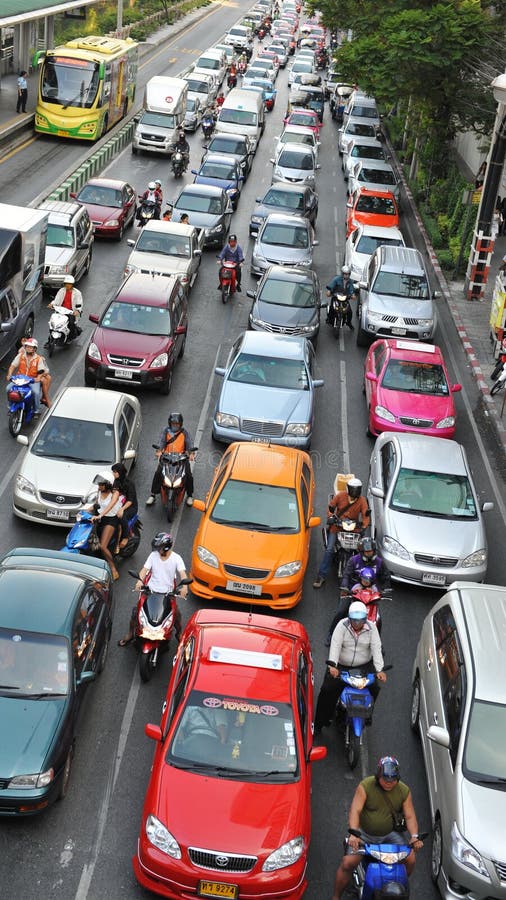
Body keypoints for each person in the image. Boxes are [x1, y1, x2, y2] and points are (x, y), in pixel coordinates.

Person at [332, 757, 424, 900]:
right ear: (378, 775)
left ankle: (398, 883)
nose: (389, 783)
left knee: (411, 859)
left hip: (390, 834)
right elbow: (355, 810)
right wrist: (354, 834)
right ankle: (336, 896)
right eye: (385, 779)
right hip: (364, 834)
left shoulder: (404, 791)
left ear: (397, 778)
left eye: (393, 780)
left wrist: (414, 836)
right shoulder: (365, 786)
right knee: (348, 863)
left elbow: (410, 816)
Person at [313, 600, 386, 734]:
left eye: (361, 620)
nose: (357, 624)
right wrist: (333, 665)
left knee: (375, 688)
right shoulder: (341, 626)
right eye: (354, 620)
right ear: (349, 618)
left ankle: (367, 714)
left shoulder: (372, 629)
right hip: (341, 666)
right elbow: (335, 646)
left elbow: (376, 648)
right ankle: (319, 724)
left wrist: (379, 669)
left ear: (365, 619)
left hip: (364, 665)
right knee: (327, 690)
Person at [118, 531, 188, 646]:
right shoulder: (153, 556)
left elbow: (183, 574)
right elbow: (144, 570)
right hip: (150, 592)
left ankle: (179, 634)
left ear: (165, 548)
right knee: (136, 613)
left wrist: (185, 588)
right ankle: (130, 634)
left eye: (159, 548)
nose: (157, 550)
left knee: (177, 615)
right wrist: (138, 582)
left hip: (168, 594)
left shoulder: (176, 558)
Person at [313, 478, 370, 588]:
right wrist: (330, 517)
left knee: (361, 551)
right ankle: (321, 576)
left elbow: (365, 515)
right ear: (348, 489)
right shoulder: (340, 496)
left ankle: (361, 576)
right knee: (329, 550)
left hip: (353, 529)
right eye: (353, 489)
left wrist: (364, 526)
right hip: (337, 527)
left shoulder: (362, 501)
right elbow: (330, 508)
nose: (354, 492)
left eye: (357, 490)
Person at [146, 412, 195, 507]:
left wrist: (191, 453)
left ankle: (189, 495)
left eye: (177, 424)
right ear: (170, 423)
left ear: (180, 424)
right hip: (166, 458)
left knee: (188, 475)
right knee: (158, 473)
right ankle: (153, 494)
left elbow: (189, 443)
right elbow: (161, 441)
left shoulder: (185, 433)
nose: (175, 426)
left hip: (181, 458)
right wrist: (159, 451)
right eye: (173, 424)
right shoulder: (166, 431)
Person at [86, 470, 123, 581]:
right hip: (101, 518)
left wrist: (100, 515)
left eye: (101, 485)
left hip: (111, 520)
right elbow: (97, 504)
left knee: (102, 546)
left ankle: (113, 568)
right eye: (99, 484)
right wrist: (85, 510)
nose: (99, 487)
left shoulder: (115, 493)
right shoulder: (99, 492)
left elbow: (110, 506)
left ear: (108, 484)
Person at [6, 337, 50, 413]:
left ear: (34, 349)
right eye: (27, 347)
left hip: (32, 380)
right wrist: (9, 374)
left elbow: (41, 371)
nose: (28, 348)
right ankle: (10, 405)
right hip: (19, 379)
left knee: (36, 392)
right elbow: (12, 366)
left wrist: (38, 378)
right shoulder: (20, 356)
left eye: (31, 347)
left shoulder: (38, 359)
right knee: (8, 389)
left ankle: (36, 410)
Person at [111, 462, 138, 554]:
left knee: (121, 516)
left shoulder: (130, 484)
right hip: (119, 504)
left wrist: (122, 509)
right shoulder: (116, 481)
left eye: (115, 472)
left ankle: (125, 538)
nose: (113, 474)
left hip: (130, 507)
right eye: (113, 472)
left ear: (120, 472)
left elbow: (130, 500)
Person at [48, 274, 83, 341]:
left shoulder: (77, 293)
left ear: (72, 284)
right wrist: (52, 304)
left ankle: (70, 337)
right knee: (52, 323)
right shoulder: (61, 291)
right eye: (66, 284)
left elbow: (79, 304)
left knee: (71, 324)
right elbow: (56, 300)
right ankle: (50, 339)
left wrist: (77, 311)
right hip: (61, 311)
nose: (67, 285)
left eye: (69, 284)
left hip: (71, 312)